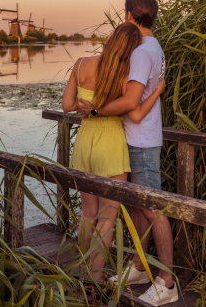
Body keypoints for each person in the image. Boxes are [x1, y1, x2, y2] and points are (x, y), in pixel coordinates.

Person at [78, 0, 178, 306]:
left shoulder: (140, 52)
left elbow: (131, 104)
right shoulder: (152, 46)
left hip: (141, 140)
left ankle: (167, 281)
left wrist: (95, 109)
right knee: (138, 206)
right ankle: (138, 266)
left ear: (128, 16)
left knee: (153, 207)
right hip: (138, 138)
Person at [62, 22, 165, 283]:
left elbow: (66, 106)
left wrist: (83, 107)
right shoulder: (122, 75)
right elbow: (136, 112)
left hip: (85, 141)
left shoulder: (81, 63)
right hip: (110, 143)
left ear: (110, 38)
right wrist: (158, 91)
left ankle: (82, 272)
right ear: (130, 50)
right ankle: (95, 279)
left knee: (87, 215)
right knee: (108, 217)